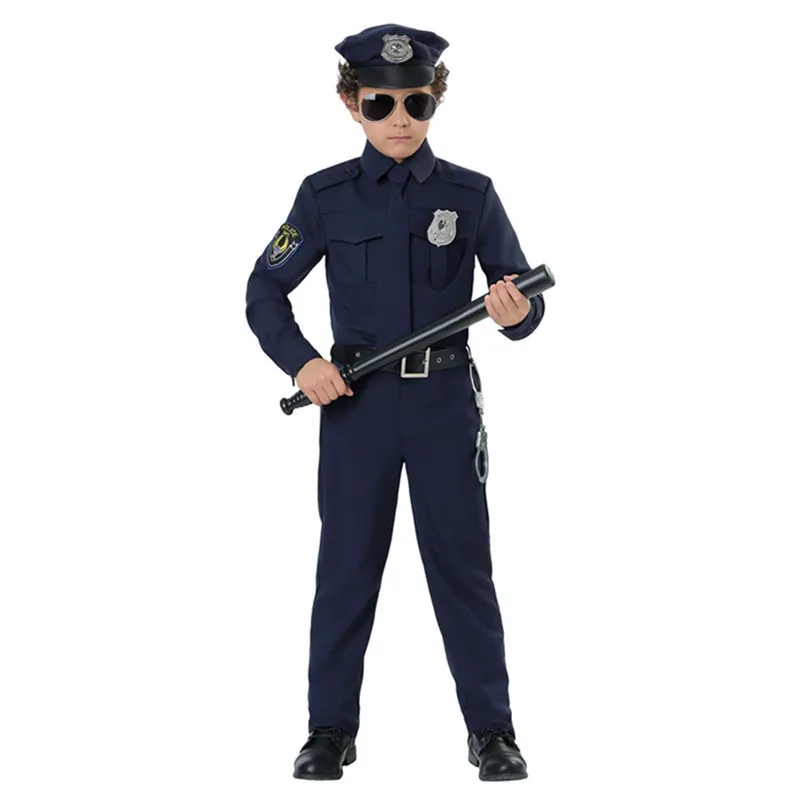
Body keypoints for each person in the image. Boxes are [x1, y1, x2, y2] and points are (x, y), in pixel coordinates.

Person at [245, 23, 546, 782]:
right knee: (346, 568)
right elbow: (264, 289)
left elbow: (520, 298)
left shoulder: (471, 194)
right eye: (380, 103)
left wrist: (518, 312)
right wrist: (304, 361)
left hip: (443, 406)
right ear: (352, 105)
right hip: (358, 409)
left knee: (463, 569)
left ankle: (492, 731)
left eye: (417, 102)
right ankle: (329, 729)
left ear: (435, 100)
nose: (400, 118)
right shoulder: (324, 197)